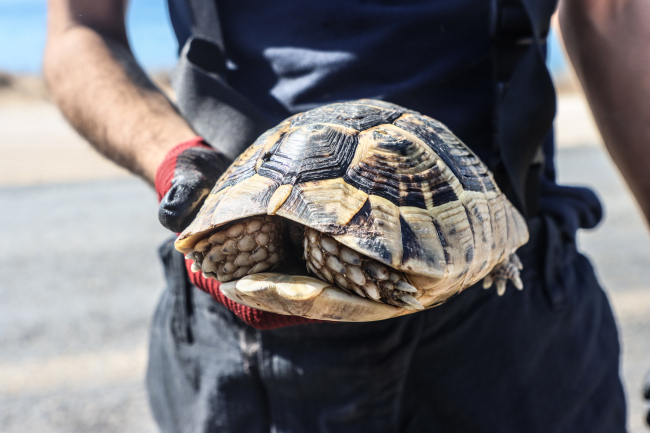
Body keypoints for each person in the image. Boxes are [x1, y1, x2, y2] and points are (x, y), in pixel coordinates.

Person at [43, 0, 649, 431]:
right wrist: (175, 161)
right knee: (263, 242)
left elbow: (614, 15)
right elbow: (78, 29)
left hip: (515, 308)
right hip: (238, 306)